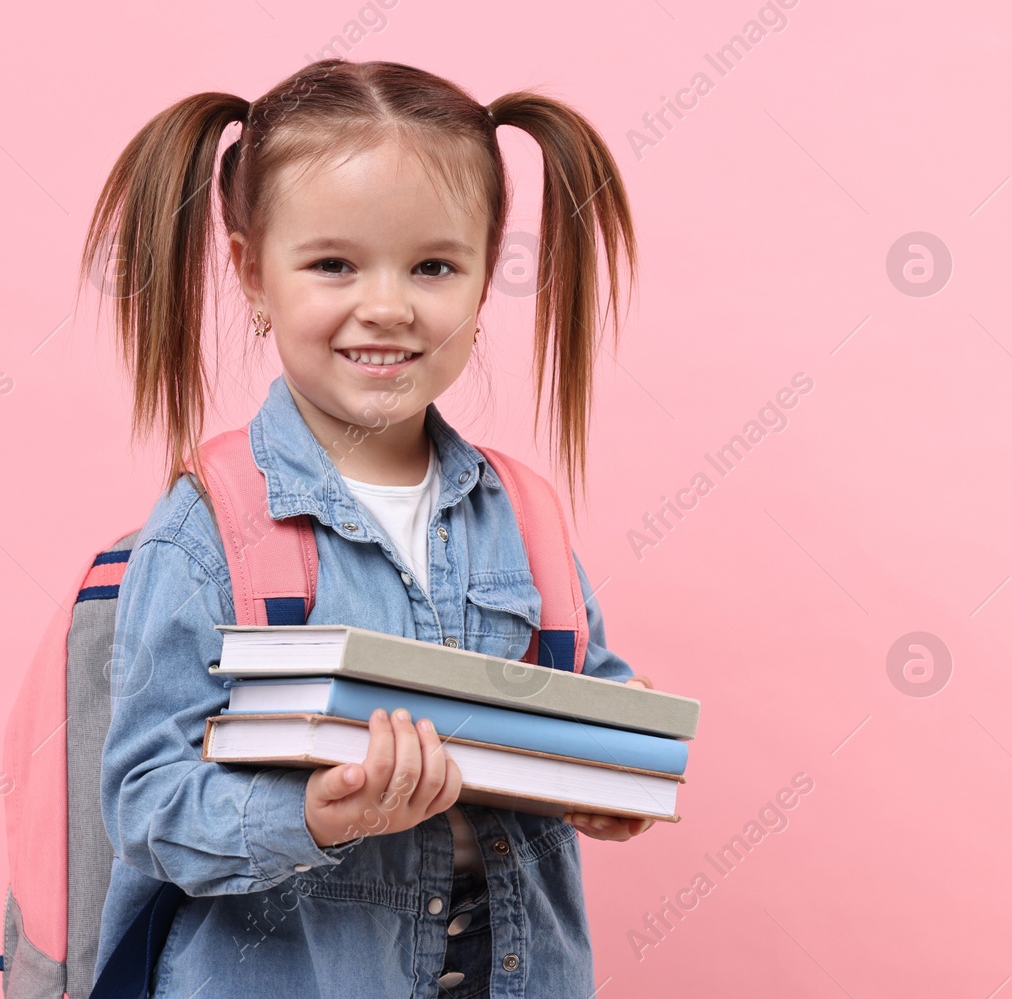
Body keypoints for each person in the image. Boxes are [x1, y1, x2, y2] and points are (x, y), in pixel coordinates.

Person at [90, 58, 652, 998]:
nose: (386, 305)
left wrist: (616, 775)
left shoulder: (525, 516)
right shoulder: (208, 531)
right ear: (250, 271)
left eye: (433, 265)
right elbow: (146, 805)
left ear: (483, 284)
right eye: (334, 264)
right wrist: (313, 813)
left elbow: (583, 691)